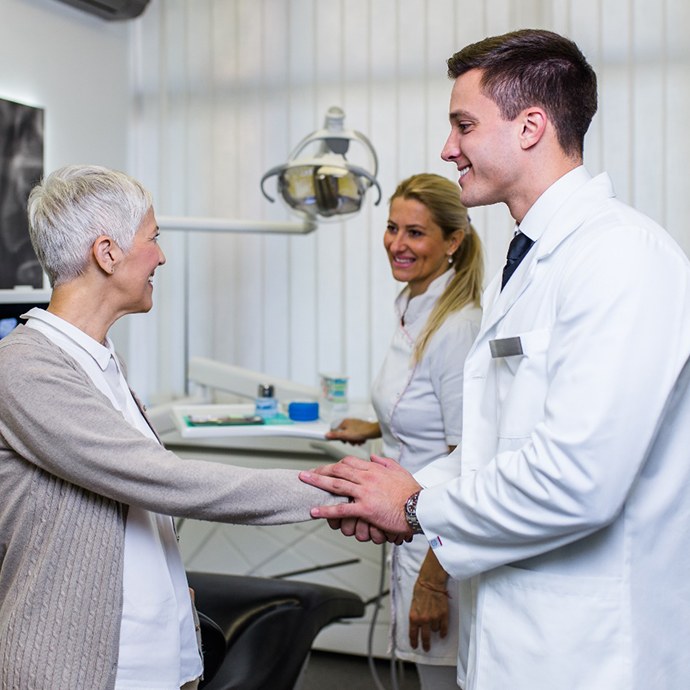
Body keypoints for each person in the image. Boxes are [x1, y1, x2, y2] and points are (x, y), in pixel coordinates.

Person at [300, 28, 690, 690]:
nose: (447, 148)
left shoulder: (622, 258)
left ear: (531, 126)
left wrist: (420, 505)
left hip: (589, 654)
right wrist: (399, 490)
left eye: (463, 125)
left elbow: (577, 478)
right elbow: (497, 447)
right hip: (515, 636)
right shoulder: (533, 261)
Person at [0, 164, 346, 690]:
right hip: (76, 663)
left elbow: (133, 513)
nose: (160, 255)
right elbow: (160, 479)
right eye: (153, 238)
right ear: (107, 252)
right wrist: (336, 491)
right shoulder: (24, 367)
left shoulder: (98, 362)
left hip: (156, 652)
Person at [326, 173, 483, 689]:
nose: (397, 243)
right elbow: (429, 408)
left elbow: (469, 459)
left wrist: (434, 580)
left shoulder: (457, 326)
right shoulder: (412, 307)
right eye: (392, 228)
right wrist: (375, 425)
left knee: (441, 679)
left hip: (439, 545)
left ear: (452, 241)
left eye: (415, 233)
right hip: (411, 527)